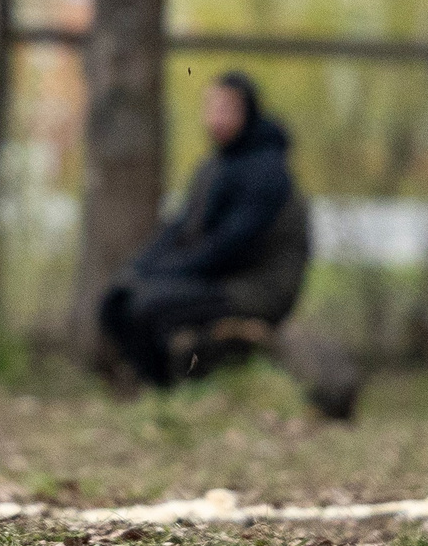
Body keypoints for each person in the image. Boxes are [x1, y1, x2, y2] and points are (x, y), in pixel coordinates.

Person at [99, 71, 309, 387]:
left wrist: (165, 275)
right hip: (215, 279)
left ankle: (172, 387)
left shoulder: (267, 171)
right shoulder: (214, 167)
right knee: (116, 302)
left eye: (227, 108)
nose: (216, 117)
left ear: (248, 111)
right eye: (212, 107)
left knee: (149, 305)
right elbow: (179, 228)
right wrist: (140, 268)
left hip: (256, 288)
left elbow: (231, 246)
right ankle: (157, 387)